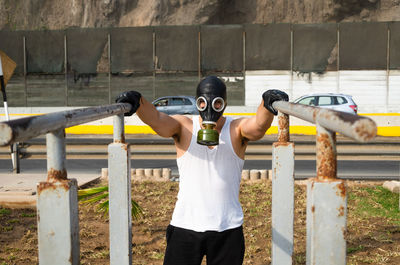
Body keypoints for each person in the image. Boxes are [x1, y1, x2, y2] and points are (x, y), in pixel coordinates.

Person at [116, 76, 289, 265]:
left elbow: (258, 126)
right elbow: (157, 119)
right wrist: (138, 102)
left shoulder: (236, 128)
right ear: (197, 101)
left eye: (216, 103)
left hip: (227, 228)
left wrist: (267, 103)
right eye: (203, 102)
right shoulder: (184, 126)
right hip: (185, 225)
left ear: (224, 104)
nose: (209, 108)